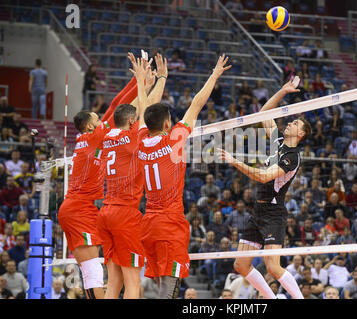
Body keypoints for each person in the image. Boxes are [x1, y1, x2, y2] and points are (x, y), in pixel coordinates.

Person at [138, 55, 230, 299]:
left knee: (161, 284)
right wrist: (214, 75)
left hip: (149, 222)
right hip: (169, 223)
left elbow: (145, 110)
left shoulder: (141, 140)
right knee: (169, 289)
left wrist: (157, 78)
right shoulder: (173, 139)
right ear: (168, 122)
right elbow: (196, 105)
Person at [217, 78, 310, 300]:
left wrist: (235, 161)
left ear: (301, 135)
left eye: (295, 124)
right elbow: (264, 112)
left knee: (272, 267)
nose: (289, 123)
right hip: (258, 212)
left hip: (273, 214)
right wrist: (283, 91)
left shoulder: (291, 157)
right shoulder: (279, 141)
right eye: (291, 121)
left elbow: (263, 176)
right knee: (240, 265)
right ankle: (272, 297)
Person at [58, 52, 141, 299]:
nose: (102, 118)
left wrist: (138, 83)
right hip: (77, 209)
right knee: (93, 272)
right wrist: (139, 82)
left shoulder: (90, 140)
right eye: (97, 118)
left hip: (83, 208)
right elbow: (116, 106)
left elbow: (116, 109)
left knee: (95, 271)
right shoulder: (93, 137)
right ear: (90, 126)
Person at [96, 53, 166, 299]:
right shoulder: (133, 137)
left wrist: (144, 83)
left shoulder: (108, 137)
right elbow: (148, 110)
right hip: (125, 215)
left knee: (113, 283)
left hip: (105, 213)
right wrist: (157, 79)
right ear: (132, 121)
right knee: (133, 283)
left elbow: (135, 108)